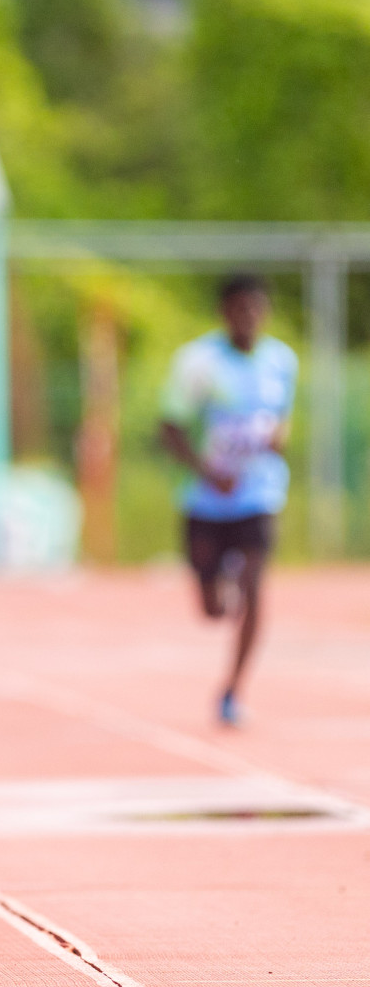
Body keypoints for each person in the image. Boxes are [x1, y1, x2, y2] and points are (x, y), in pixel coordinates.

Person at [159, 273, 297, 727]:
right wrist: (205, 471)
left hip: (258, 494)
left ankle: (233, 690)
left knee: (256, 586)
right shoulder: (197, 363)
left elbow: (281, 418)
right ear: (225, 312)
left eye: (257, 308)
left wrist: (280, 437)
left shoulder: (281, 361)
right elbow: (170, 429)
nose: (249, 317)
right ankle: (217, 584)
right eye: (240, 308)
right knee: (213, 608)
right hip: (206, 501)